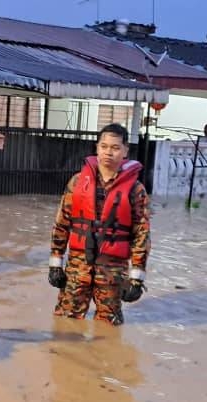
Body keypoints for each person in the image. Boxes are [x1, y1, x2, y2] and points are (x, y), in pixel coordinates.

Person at [48, 123, 151, 326]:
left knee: (109, 326)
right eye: (104, 146)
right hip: (78, 266)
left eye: (115, 148)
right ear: (97, 148)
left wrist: (137, 278)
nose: (108, 152)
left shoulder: (136, 190)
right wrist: (55, 264)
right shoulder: (77, 182)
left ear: (125, 151)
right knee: (65, 322)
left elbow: (142, 234)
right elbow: (62, 223)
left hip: (113, 270)